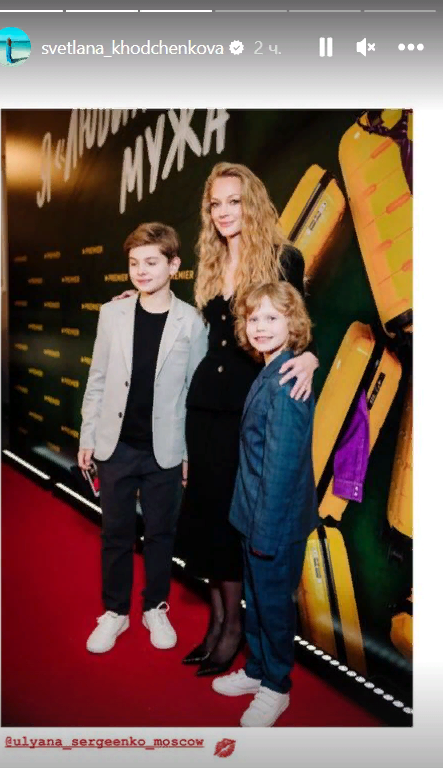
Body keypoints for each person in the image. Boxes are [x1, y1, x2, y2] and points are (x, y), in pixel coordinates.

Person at [176, 162, 319, 676]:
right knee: (206, 518)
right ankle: (217, 620)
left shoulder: (283, 258)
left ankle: (234, 628)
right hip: (204, 407)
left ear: (251, 202)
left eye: (233, 201)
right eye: (215, 203)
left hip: (247, 409)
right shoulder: (212, 261)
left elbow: (301, 323)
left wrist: (311, 357)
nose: (223, 212)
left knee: (233, 521)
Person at [78, 222, 207, 655]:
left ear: (174, 265)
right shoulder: (111, 314)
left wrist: (188, 452)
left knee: (160, 535)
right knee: (115, 534)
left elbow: (193, 393)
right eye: (134, 263)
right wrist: (88, 436)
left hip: (163, 451)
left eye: (151, 262)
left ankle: (155, 606)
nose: (141, 271)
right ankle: (115, 612)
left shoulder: (192, 322)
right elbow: (97, 380)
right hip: (115, 446)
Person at [211, 281, 320, 727]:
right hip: (253, 515)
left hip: (274, 523)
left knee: (273, 607)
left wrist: (265, 533)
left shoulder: (289, 381)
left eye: (272, 317)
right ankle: (257, 670)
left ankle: (276, 686)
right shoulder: (271, 369)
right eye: (254, 318)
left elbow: (282, 468)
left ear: (293, 323)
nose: (260, 326)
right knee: (255, 601)